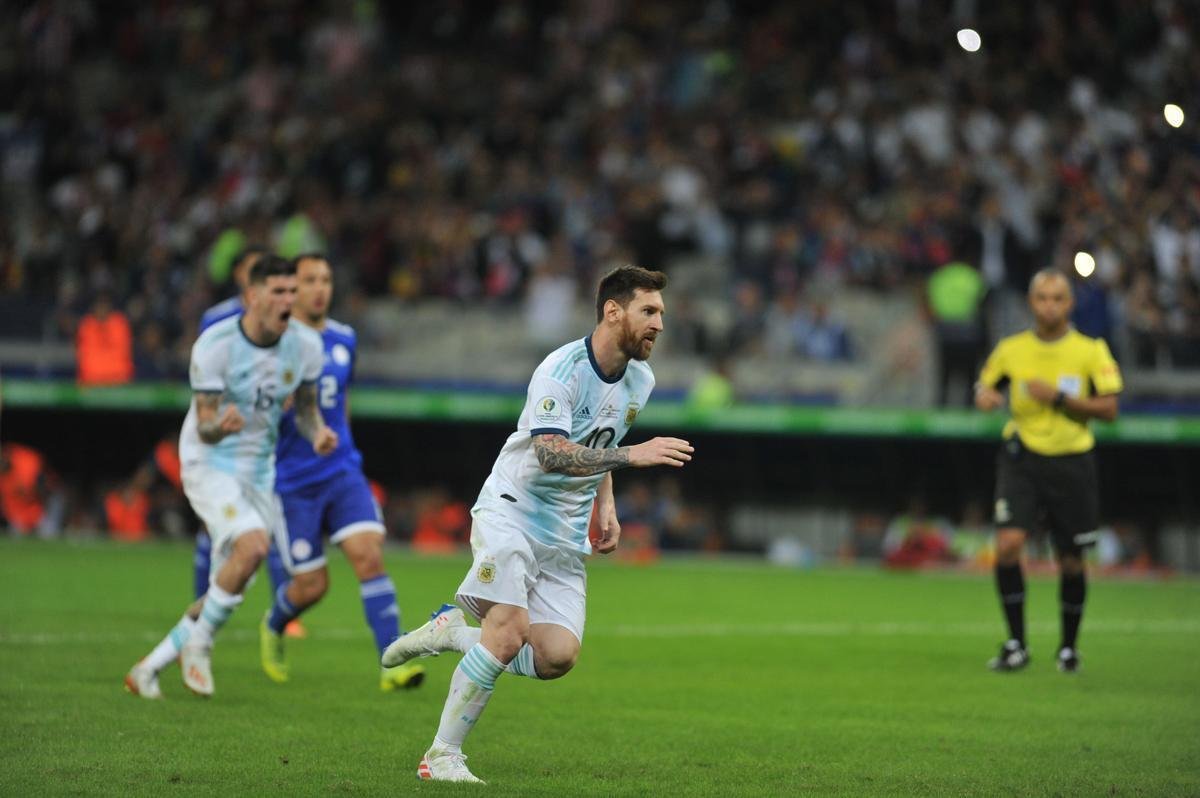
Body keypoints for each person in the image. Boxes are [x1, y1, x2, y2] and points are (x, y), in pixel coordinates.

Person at [381, 265, 694, 783]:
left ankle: (452, 633)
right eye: (650, 311)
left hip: (566, 531)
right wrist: (633, 457)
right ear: (613, 312)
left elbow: (601, 439)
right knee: (506, 636)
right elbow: (550, 454)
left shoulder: (642, 378)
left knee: (556, 656)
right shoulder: (561, 370)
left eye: (661, 311)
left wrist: (605, 504)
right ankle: (440, 758)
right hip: (513, 511)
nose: (660, 322)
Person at [125, 254, 335, 699]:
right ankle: (198, 647)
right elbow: (204, 423)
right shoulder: (216, 344)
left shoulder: (306, 345)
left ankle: (148, 668)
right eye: (278, 291)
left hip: (259, 471)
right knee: (253, 544)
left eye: (291, 292)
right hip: (210, 461)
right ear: (252, 297)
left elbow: (306, 411)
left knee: (233, 576)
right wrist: (221, 424)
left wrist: (318, 435)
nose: (288, 300)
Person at [257, 254, 425, 692]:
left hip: (341, 470)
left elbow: (341, 399)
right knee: (312, 586)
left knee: (369, 556)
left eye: (326, 280)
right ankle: (274, 624)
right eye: (309, 280)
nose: (319, 288)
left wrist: (344, 444)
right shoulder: (274, 342)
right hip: (292, 481)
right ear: (291, 289)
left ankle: (393, 663)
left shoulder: (344, 338)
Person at [974, 269, 1123, 674]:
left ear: (1070, 304)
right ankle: (1016, 644)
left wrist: (1059, 398)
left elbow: (1109, 409)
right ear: (1030, 302)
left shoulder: (1091, 351)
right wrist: (985, 396)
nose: (1049, 305)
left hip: (1072, 461)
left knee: (1071, 559)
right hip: (1021, 457)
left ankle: (1068, 648)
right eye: (1042, 297)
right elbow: (986, 386)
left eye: (1058, 298)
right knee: (1007, 545)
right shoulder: (1011, 349)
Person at [193, 246, 300, 636]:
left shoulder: (287, 326)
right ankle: (204, 601)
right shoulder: (217, 321)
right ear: (243, 278)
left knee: (264, 530)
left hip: (263, 440)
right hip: (221, 446)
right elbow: (206, 377)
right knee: (221, 532)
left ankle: (273, 607)